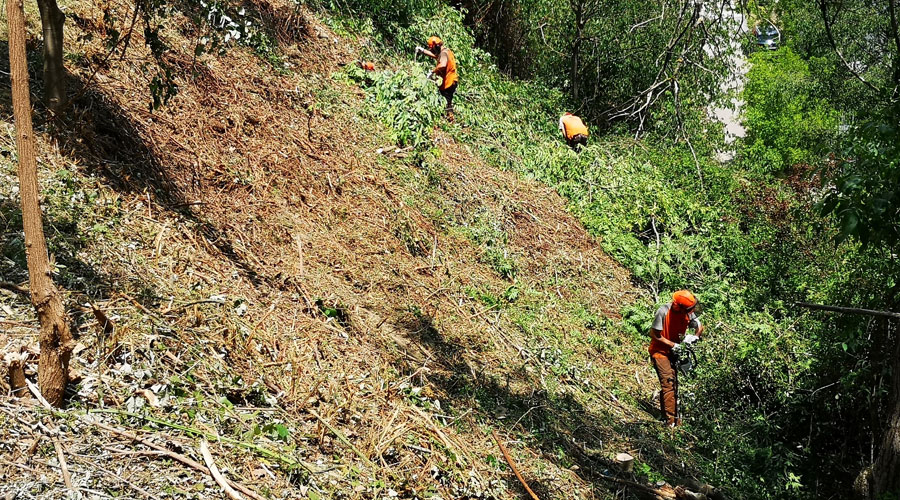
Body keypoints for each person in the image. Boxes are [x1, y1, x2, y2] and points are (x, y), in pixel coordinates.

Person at [649, 290, 705, 427]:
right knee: (668, 383)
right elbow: (654, 334)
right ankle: (670, 422)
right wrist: (672, 345)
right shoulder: (663, 311)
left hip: (674, 354)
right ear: (678, 306)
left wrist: (695, 337)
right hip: (660, 352)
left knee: (673, 386)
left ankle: (671, 417)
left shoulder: (688, 312)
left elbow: (699, 326)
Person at [415, 37, 458, 123]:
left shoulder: (444, 54)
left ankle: (450, 121)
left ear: (436, 46)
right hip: (452, 80)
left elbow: (442, 64)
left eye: (432, 49)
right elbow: (436, 56)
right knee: (447, 102)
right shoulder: (446, 51)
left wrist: (433, 72)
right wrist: (423, 51)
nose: (432, 51)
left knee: (446, 103)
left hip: (448, 82)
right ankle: (448, 119)